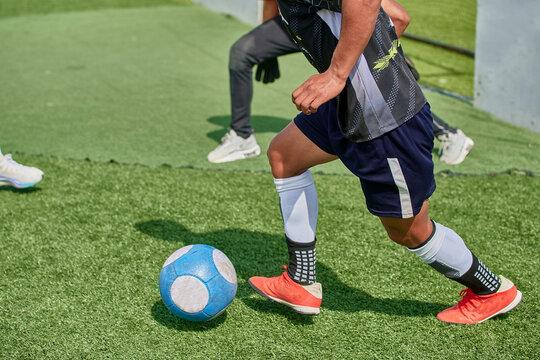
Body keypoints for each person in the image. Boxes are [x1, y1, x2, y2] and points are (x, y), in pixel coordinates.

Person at [247, 0, 521, 324]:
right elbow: (397, 17)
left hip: (386, 123)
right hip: (346, 106)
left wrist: (339, 74)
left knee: (410, 232)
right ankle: (301, 281)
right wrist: (370, 67)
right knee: (283, 155)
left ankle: (491, 290)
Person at [207, 0, 474, 165]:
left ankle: (448, 134)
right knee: (242, 52)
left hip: (338, 30)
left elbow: (398, 16)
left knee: (365, 90)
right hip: (296, 22)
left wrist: (382, 58)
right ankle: (242, 137)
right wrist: (265, 51)